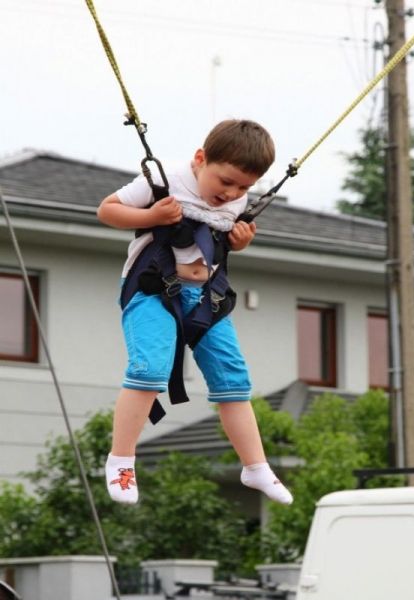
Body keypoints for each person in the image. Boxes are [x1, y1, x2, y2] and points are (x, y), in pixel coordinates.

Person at [97, 119, 293, 506]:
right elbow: (107, 211)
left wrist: (240, 242)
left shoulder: (236, 201)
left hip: (206, 297)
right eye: (226, 181)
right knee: (148, 371)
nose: (232, 193)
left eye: (244, 188)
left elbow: (218, 243)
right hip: (153, 290)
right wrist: (151, 217)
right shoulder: (164, 180)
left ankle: (255, 467)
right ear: (201, 159)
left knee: (234, 380)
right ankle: (121, 461)